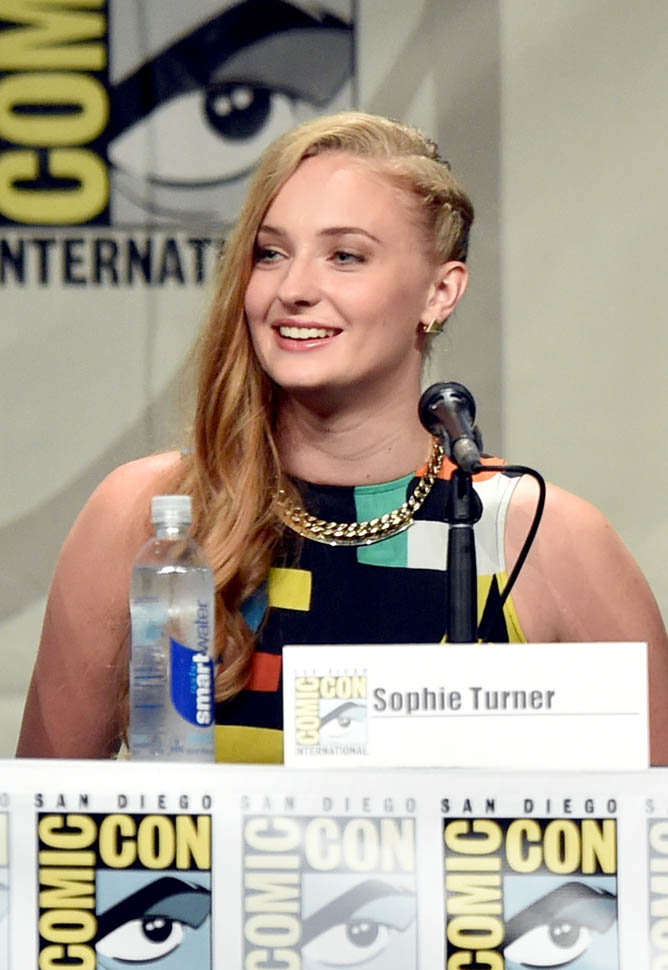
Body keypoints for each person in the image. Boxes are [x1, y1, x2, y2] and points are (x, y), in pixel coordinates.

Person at [16, 112, 668, 764]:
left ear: (440, 292)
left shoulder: (535, 537)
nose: (294, 289)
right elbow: (44, 818)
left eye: (345, 256)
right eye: (270, 253)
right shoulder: (154, 519)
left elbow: (651, 821)